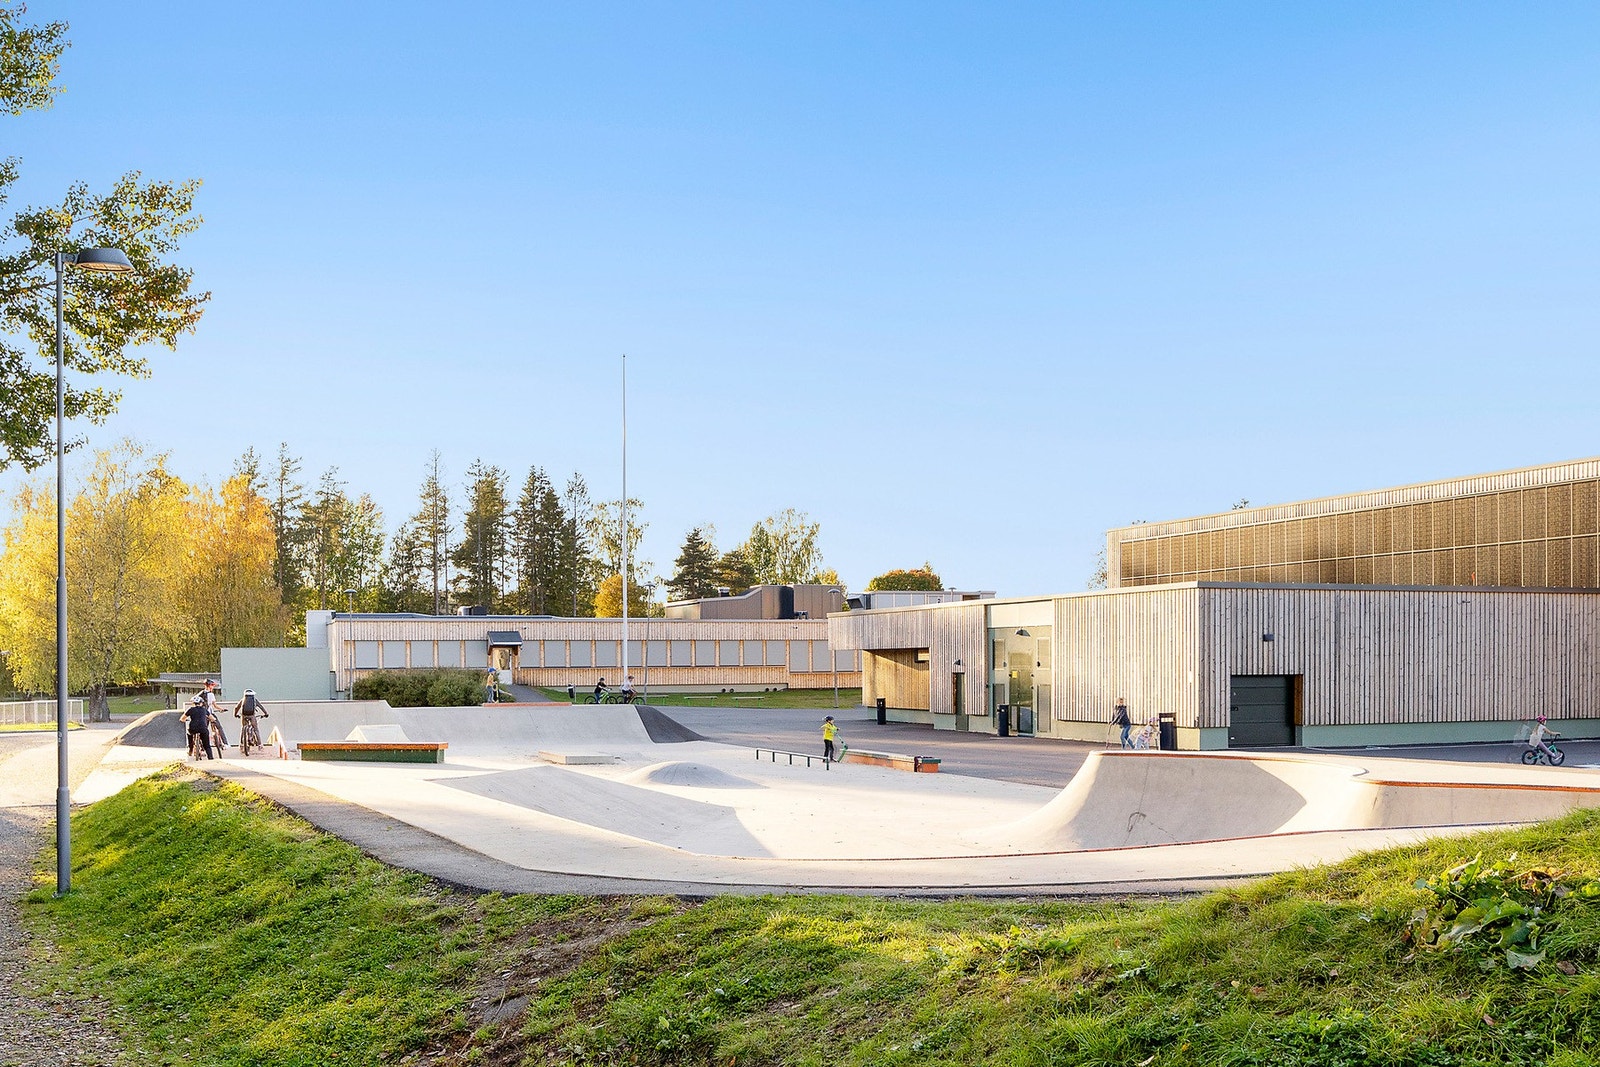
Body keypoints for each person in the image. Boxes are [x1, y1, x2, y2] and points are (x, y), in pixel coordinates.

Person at [183, 693, 214, 759]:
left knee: (189, 734)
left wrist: (185, 720)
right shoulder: (204, 710)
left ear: (193, 703)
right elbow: (212, 718)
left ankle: (190, 749)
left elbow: (182, 719)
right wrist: (213, 720)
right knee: (207, 745)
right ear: (201, 703)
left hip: (193, 728)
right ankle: (210, 758)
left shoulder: (190, 709)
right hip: (203, 729)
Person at [200, 679, 228, 747]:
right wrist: (222, 709)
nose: (213, 687)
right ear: (208, 686)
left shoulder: (201, 693)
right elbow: (215, 705)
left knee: (204, 729)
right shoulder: (211, 694)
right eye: (212, 685)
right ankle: (225, 743)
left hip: (203, 714)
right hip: (210, 714)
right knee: (219, 727)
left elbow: (193, 699)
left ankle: (201, 746)